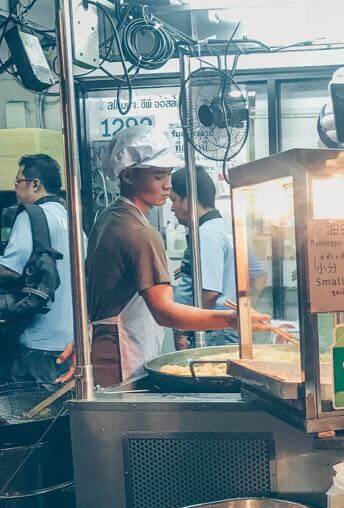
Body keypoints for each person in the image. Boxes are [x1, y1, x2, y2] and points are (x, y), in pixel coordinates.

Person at [84, 126, 269, 387]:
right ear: (127, 175)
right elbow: (165, 312)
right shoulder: (139, 232)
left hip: (107, 347)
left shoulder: (109, 218)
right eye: (158, 175)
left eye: (169, 174)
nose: (168, 185)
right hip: (120, 355)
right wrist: (231, 319)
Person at [0, 155, 81, 385]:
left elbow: (11, 269)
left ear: (35, 184)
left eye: (18, 181)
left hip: (37, 342)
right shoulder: (72, 218)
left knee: (29, 416)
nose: (15, 188)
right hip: (70, 343)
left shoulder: (31, 215)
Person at [169, 166, 267, 349]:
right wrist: (242, 310)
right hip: (226, 327)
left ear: (189, 200)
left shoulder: (206, 234)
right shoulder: (228, 228)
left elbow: (210, 293)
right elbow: (259, 275)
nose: (172, 208)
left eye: (173, 200)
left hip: (212, 331)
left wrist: (185, 329)